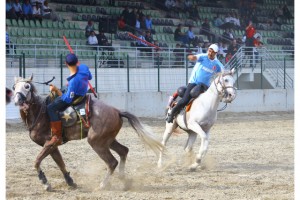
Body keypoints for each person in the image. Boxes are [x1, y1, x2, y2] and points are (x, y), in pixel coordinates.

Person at [166, 44, 224, 123]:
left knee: (210, 100)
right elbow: (195, 57)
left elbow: (223, 72)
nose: (210, 53)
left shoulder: (217, 64)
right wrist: (192, 57)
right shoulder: (203, 57)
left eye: (212, 52)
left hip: (205, 86)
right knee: (185, 100)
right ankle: (172, 113)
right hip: (194, 82)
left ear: (216, 53)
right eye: (209, 51)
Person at [47, 53, 92, 146]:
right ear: (77, 61)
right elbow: (90, 77)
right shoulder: (84, 67)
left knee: (50, 108)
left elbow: (67, 99)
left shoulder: (73, 81)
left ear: (66, 64)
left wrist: (56, 89)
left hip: (76, 96)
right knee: (63, 87)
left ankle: (57, 136)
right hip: (82, 91)